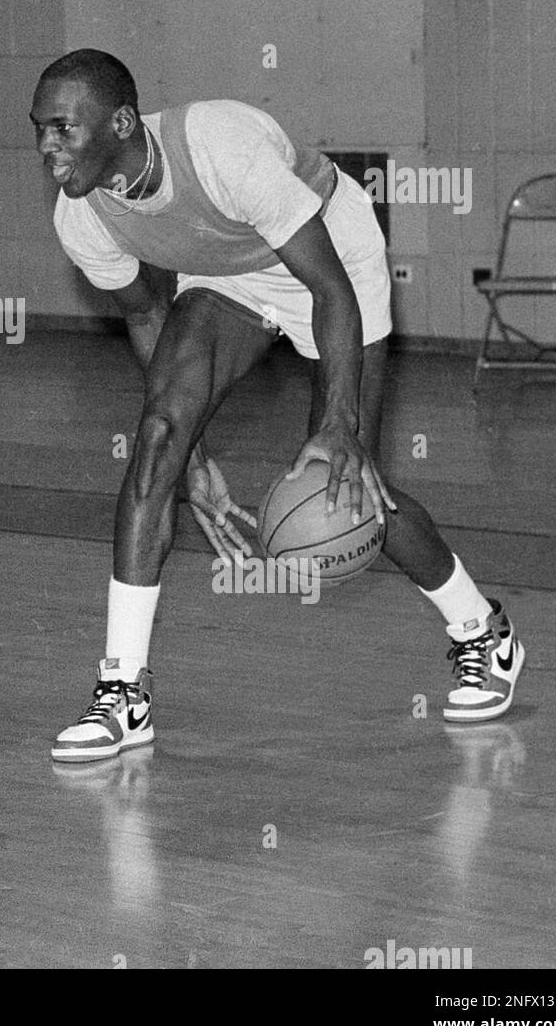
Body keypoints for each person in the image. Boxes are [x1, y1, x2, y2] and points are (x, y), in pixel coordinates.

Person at [31, 49, 523, 763]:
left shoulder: (221, 147)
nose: (46, 146)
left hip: (330, 257)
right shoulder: (83, 218)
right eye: (38, 129)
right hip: (227, 273)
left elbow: (329, 290)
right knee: (156, 444)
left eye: (61, 129)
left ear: (122, 123)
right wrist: (190, 456)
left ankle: (481, 630)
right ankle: (123, 692)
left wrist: (337, 425)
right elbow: (145, 319)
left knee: (347, 485)